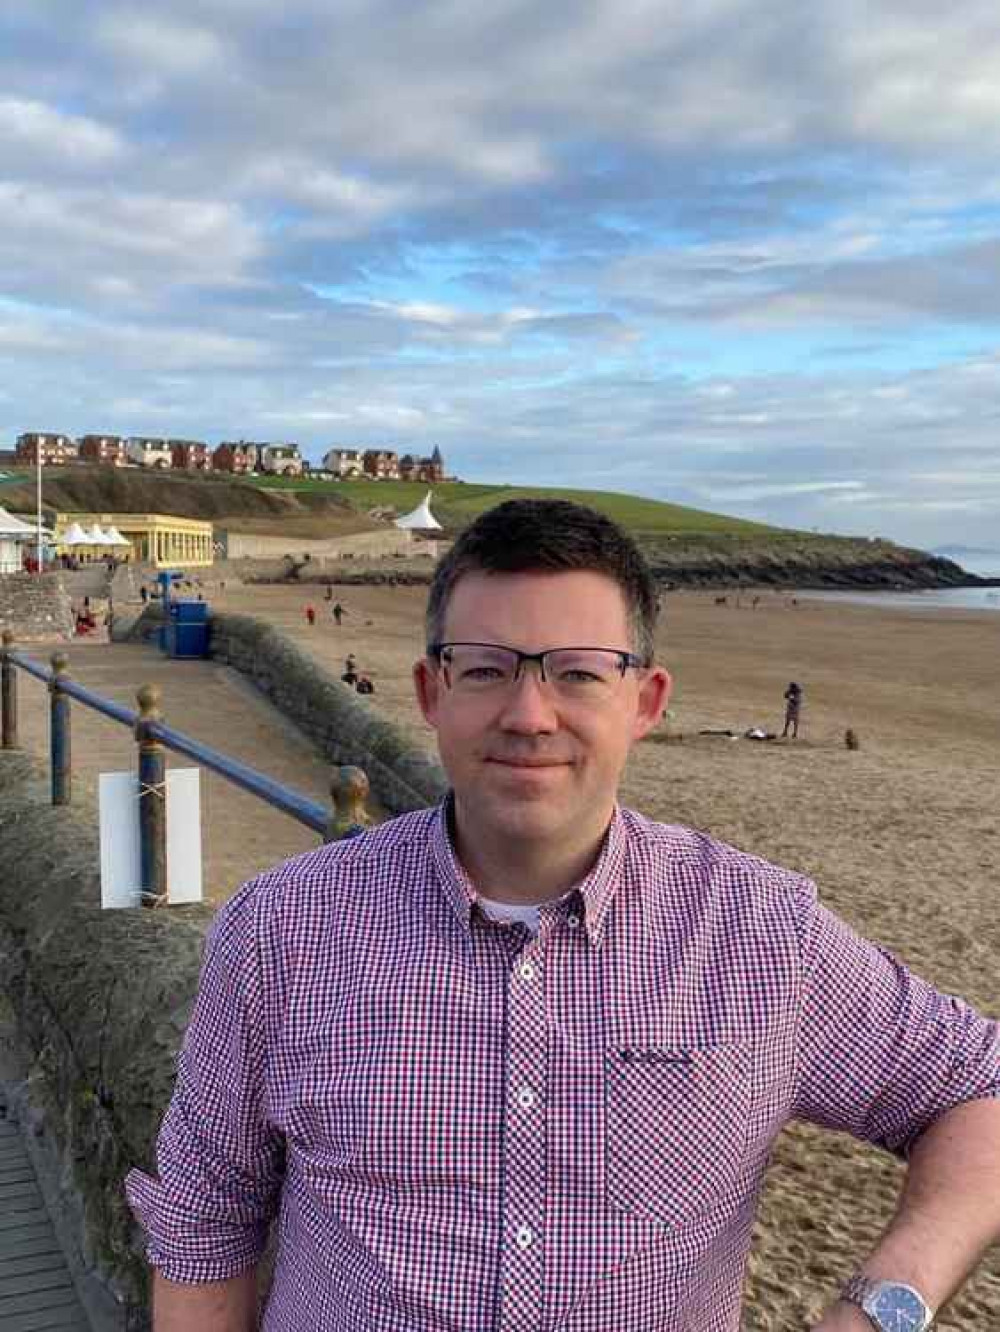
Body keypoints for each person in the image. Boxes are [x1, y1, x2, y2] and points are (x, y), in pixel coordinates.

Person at [126, 499, 1000, 1332]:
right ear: (433, 694)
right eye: (486, 668)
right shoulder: (281, 929)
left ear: (646, 703)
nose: (528, 715)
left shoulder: (763, 934)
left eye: (579, 672)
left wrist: (881, 1304)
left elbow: (978, 1086)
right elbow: (207, 1225)